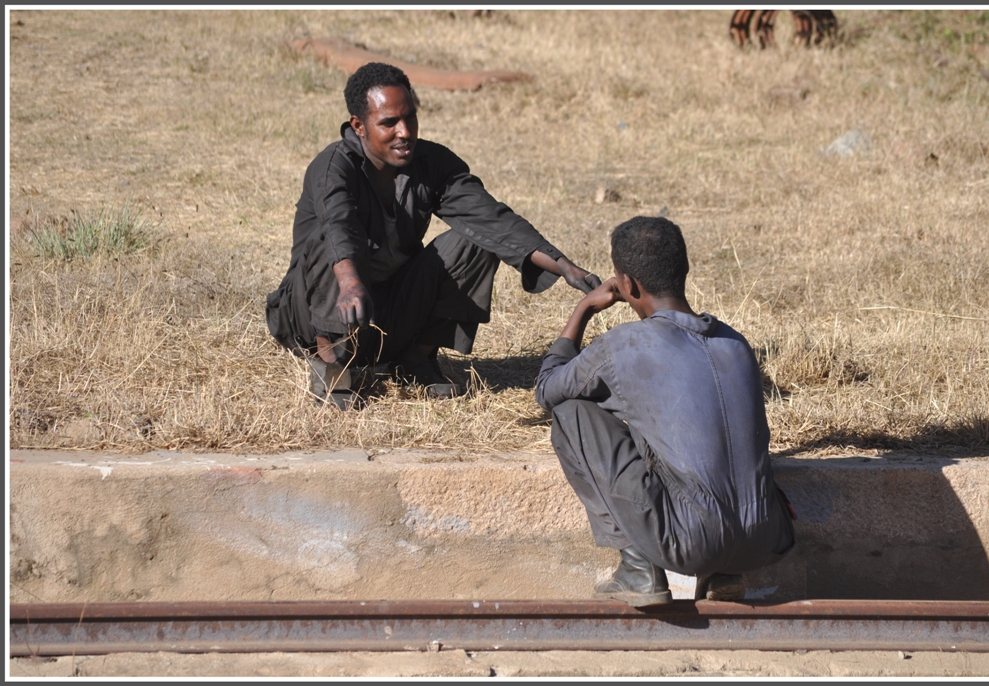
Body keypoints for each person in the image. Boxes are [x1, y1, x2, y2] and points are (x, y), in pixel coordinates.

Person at [266, 62, 601, 408]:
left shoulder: (431, 163)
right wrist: (350, 282)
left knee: (477, 238)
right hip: (312, 316)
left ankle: (415, 359)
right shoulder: (332, 167)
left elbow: (492, 219)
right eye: (389, 123)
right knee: (331, 243)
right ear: (359, 126)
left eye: (409, 117)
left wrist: (565, 266)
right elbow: (337, 225)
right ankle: (331, 365)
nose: (404, 131)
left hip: (384, 316)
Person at [535, 216, 795, 606]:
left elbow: (546, 389)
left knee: (570, 412)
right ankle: (724, 574)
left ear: (627, 285)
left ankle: (638, 569)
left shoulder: (624, 346)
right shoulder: (736, 343)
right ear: (684, 270)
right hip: (766, 540)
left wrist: (584, 309)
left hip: (691, 541)